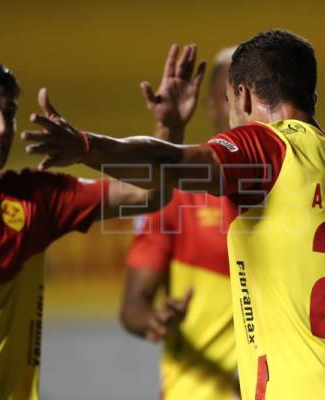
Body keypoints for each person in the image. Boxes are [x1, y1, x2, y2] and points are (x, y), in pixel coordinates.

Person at [22, 29, 325, 399]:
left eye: (229, 102)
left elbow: (170, 161)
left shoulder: (266, 149)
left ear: (243, 96)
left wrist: (86, 146)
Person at [0, 48, 201, 399]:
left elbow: (148, 194)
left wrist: (169, 128)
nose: (2, 127)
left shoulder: (35, 199)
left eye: (9, 113)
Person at [121, 46, 239, 400]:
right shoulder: (176, 193)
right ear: (211, 108)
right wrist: (157, 319)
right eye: (232, 98)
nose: (243, 111)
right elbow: (133, 306)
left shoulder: (289, 189)